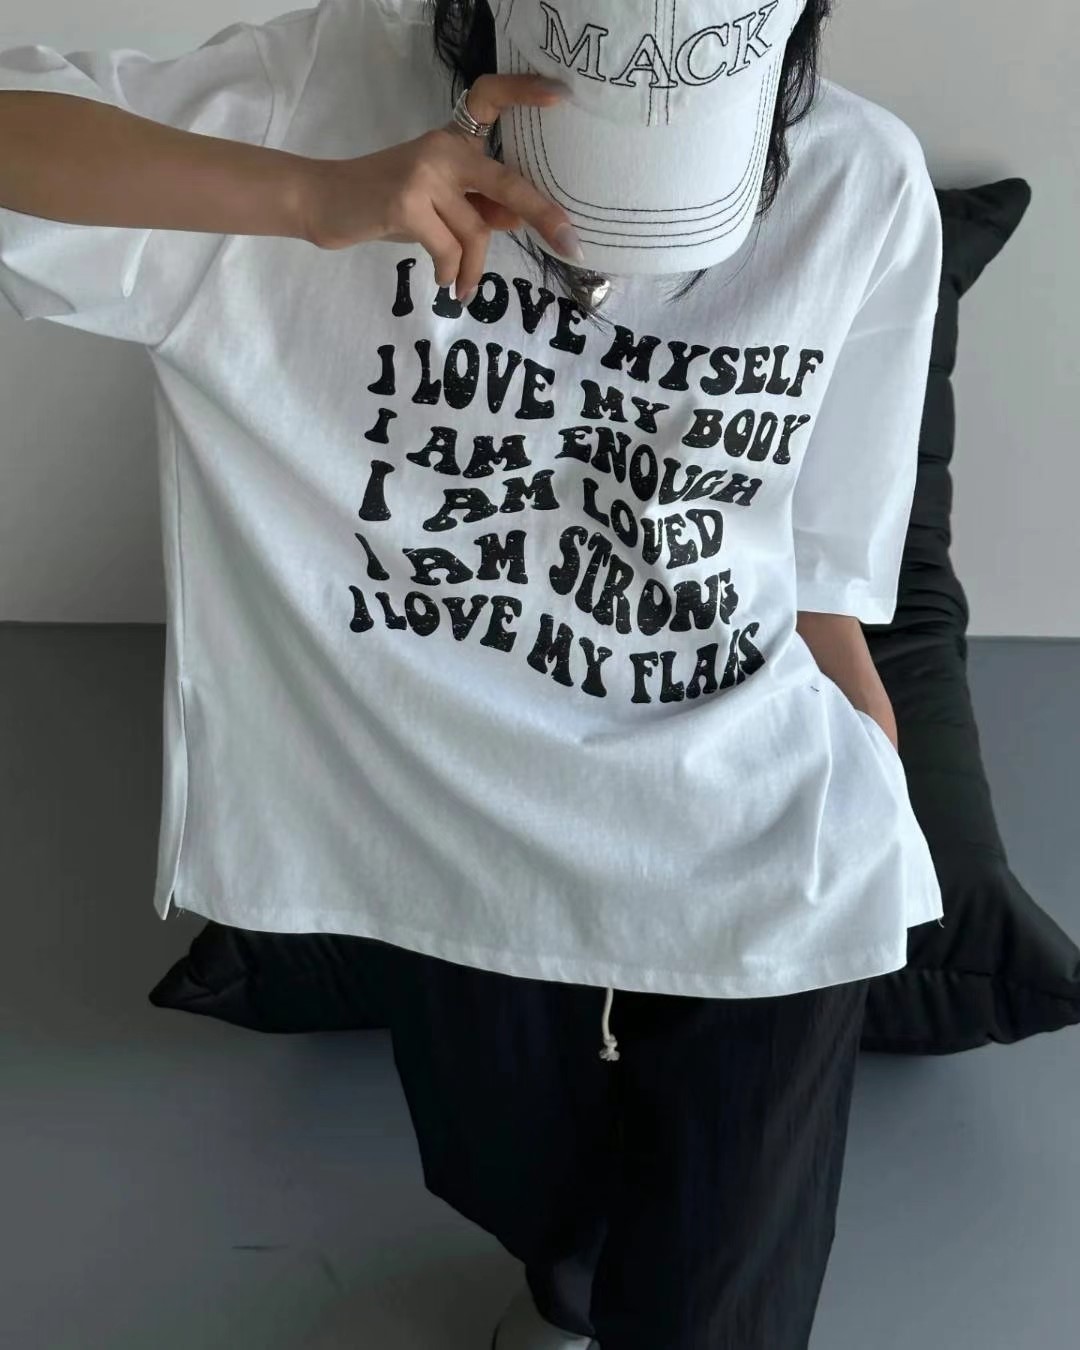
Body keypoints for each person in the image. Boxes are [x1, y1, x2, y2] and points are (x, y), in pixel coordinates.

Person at [0, 1, 945, 1346]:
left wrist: (874, 771)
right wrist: (308, 197)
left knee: (715, 1307)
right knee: (522, 1187)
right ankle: (576, 1277)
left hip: (756, 805)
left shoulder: (864, 184)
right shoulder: (320, 96)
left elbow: (819, 571)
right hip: (442, 818)